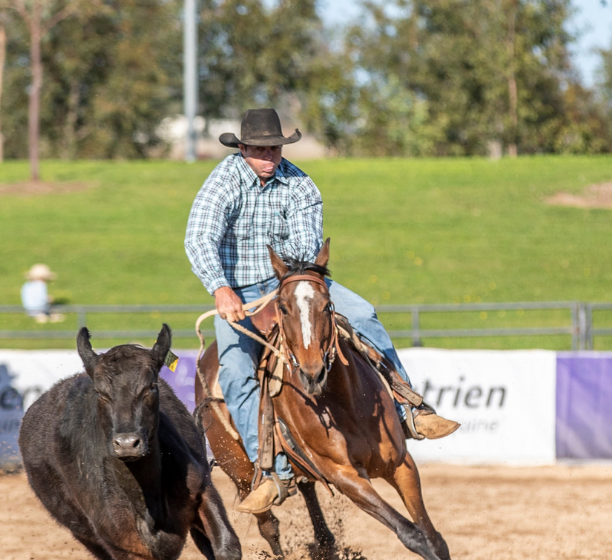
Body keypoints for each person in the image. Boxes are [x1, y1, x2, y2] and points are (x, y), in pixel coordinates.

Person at [185, 108, 458, 514]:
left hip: (296, 283)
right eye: (259, 149)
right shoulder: (223, 182)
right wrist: (221, 288)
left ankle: (408, 410)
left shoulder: (300, 185)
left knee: (362, 314)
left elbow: (305, 248)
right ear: (242, 149)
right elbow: (199, 237)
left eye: (274, 149)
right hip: (240, 291)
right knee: (237, 372)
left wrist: (293, 289)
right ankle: (271, 471)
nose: (268, 156)